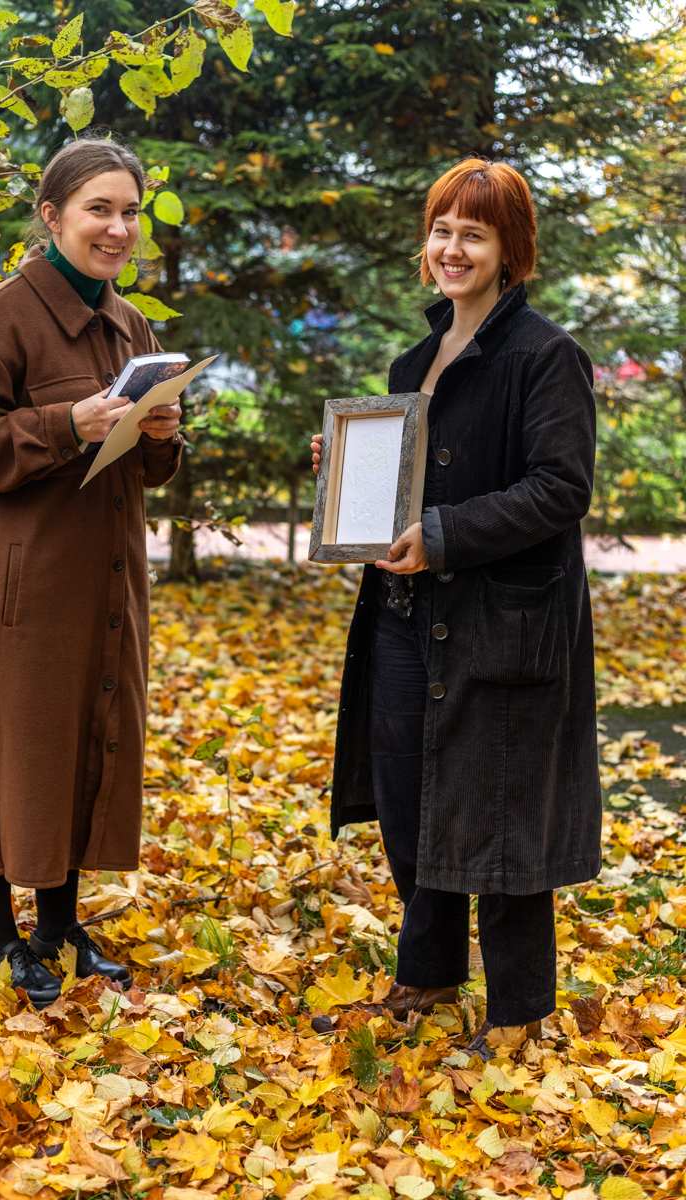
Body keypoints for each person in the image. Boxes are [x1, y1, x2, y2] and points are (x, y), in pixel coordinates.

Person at [311, 158, 601, 1057]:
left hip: (504, 622)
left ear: (511, 249)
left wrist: (443, 532)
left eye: (473, 233)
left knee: (503, 810)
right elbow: (403, 483)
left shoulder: (545, 357)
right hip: (404, 614)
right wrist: (348, 488)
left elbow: (560, 489)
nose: (452, 247)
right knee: (410, 797)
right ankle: (430, 977)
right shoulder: (414, 358)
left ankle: (520, 1014)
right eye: (442, 228)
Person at [0, 138, 183, 1007]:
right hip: (24, 590)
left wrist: (159, 436)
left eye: (129, 211)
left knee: (84, 737)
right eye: (98, 209)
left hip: (106, 581)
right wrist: (64, 424)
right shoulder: (1, 317)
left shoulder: (129, 323)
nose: (117, 228)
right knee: (10, 751)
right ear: (52, 216)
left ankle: (59, 926)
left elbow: (147, 471)